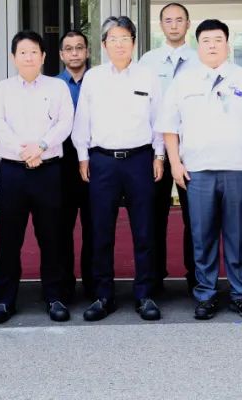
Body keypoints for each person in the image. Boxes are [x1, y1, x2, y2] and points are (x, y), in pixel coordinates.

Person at [158, 19, 242, 320]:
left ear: (227, 44)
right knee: (202, 237)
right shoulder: (183, 80)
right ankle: (206, 294)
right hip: (198, 171)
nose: (212, 45)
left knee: (238, 236)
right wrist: (175, 163)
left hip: (237, 170)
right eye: (206, 41)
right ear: (198, 45)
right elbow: (169, 126)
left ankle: (241, 294)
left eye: (218, 40)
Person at [73, 17, 164, 322]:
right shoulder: (94, 77)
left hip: (140, 159)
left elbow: (158, 119)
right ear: (104, 45)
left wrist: (159, 155)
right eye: (113, 39)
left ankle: (145, 295)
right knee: (101, 231)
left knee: (145, 230)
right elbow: (82, 120)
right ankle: (103, 295)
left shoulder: (148, 76)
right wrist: (83, 156)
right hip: (102, 161)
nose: (120, 44)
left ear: (134, 43)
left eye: (125, 38)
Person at [0, 31, 75, 325]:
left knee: (52, 237)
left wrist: (42, 147)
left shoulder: (57, 87)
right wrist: (24, 151)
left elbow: (65, 122)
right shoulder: (2, 89)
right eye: (22, 52)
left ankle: (55, 297)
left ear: (43, 56)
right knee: (9, 238)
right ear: (14, 57)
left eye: (34, 52)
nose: (28, 57)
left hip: (49, 170)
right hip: (13, 171)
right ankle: (4, 300)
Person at [140, 2, 198, 296]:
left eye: (179, 20)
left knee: (195, 217)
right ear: (161, 25)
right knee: (153, 216)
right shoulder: (147, 62)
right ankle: (153, 277)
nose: (174, 25)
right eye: (168, 20)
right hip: (154, 151)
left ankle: (196, 277)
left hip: (191, 149)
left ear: (188, 24)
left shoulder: (200, 59)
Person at [56, 30, 95, 302]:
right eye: (68, 48)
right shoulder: (53, 85)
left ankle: (93, 285)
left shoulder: (99, 82)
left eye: (79, 47)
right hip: (62, 161)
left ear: (87, 52)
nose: (74, 53)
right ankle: (64, 286)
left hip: (94, 159)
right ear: (61, 55)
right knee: (62, 227)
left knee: (94, 226)